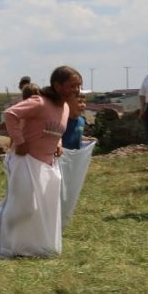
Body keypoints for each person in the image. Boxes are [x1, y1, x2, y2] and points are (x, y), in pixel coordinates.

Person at [0, 66, 81, 260]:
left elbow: (56, 131)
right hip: (25, 161)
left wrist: (58, 144)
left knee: (43, 209)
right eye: (72, 86)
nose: (76, 90)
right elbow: (10, 114)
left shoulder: (66, 107)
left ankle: (32, 247)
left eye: (78, 86)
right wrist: (19, 141)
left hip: (46, 165)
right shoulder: (39, 102)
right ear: (57, 85)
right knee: (22, 206)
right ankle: (0, 242)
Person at [57, 92, 95, 225]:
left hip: (73, 161)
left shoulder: (81, 120)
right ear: (67, 104)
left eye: (84, 102)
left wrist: (87, 140)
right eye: (79, 102)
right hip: (60, 160)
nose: (83, 105)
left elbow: (78, 135)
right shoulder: (63, 120)